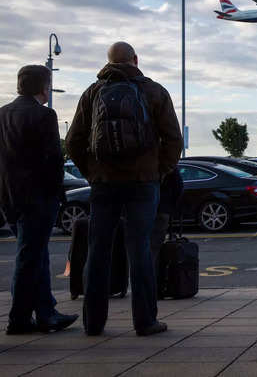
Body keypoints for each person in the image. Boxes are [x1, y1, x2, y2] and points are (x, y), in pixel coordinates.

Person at [66, 42, 182, 336]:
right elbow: (173, 139)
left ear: (108, 62)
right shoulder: (154, 91)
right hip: (143, 182)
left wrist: (92, 173)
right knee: (140, 249)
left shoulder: (92, 93)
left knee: (98, 250)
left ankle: (93, 322)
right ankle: (145, 321)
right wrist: (158, 171)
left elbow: (73, 141)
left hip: (104, 183)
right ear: (136, 60)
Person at [0, 65, 79, 335]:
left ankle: (46, 312)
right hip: (37, 197)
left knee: (35, 254)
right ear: (44, 87)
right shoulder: (44, 115)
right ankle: (20, 318)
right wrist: (56, 193)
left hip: (9, 197)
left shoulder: (3, 114)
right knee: (29, 257)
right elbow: (53, 160)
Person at [151, 168, 184, 274]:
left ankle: (145, 283)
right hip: (163, 210)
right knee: (154, 248)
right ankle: (153, 283)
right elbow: (178, 187)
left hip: (143, 210)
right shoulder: (168, 165)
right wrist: (171, 208)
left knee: (139, 249)